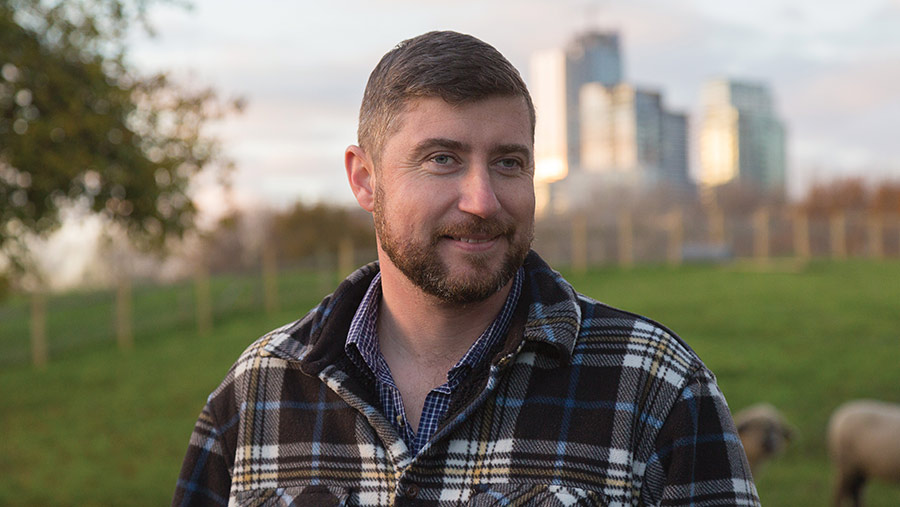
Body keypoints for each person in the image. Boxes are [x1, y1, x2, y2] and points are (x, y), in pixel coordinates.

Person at [173, 31, 759, 506]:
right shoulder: (258, 394)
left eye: (508, 163)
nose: (482, 200)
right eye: (442, 159)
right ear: (364, 178)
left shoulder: (654, 385)